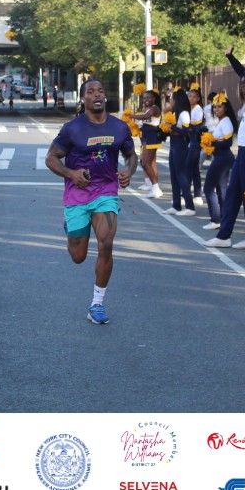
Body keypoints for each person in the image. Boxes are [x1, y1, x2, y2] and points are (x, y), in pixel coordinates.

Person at [45, 79, 138, 324]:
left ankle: (97, 303)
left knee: (106, 243)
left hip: (105, 191)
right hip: (77, 194)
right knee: (78, 256)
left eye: (100, 91)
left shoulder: (119, 127)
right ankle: (71, 227)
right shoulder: (72, 129)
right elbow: (51, 158)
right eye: (90, 92)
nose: (96, 95)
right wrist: (71, 174)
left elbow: (131, 155)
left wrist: (128, 171)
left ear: (104, 96)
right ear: (83, 98)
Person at [205, 54, 245, 249]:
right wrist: (230, 56)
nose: (243, 85)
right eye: (242, 82)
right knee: (232, 195)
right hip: (242, 153)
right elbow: (242, 73)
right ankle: (224, 236)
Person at [202, 93, 236, 230]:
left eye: (219, 107)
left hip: (223, 157)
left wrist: (211, 143)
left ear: (226, 108)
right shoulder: (222, 121)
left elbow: (228, 142)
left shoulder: (226, 121)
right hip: (221, 157)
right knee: (221, 190)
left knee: (208, 188)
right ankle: (224, 218)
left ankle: (215, 219)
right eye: (215, 107)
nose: (216, 109)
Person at [163, 88, 196, 216]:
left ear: (177, 100)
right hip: (174, 144)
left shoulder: (184, 114)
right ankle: (176, 205)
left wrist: (171, 127)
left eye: (172, 99)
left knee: (181, 176)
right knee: (173, 175)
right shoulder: (175, 113)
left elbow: (186, 131)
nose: (170, 102)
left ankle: (190, 206)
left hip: (180, 145)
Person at [132, 89, 164, 198]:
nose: (146, 100)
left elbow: (146, 117)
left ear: (154, 98)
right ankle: (152, 186)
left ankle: (156, 189)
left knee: (146, 163)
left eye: (148, 97)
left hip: (152, 138)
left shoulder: (155, 108)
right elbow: (144, 120)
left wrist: (131, 116)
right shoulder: (148, 109)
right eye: (144, 98)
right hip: (146, 138)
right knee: (145, 162)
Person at [186, 87, 206, 205]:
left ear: (198, 99)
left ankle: (186, 193)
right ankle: (198, 194)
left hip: (195, 140)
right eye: (190, 96)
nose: (191, 99)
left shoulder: (198, 109)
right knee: (194, 168)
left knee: (189, 166)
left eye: (194, 97)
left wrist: (186, 126)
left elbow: (195, 127)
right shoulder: (187, 108)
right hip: (188, 139)